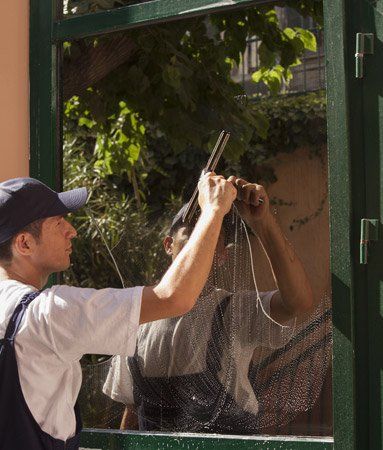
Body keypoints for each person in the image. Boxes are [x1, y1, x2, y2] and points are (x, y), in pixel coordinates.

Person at [0, 173, 236, 450]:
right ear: (25, 244)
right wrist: (214, 209)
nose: (71, 230)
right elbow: (174, 298)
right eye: (58, 222)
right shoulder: (49, 314)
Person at [103, 176, 314, 433]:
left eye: (213, 237)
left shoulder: (234, 311)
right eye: (194, 232)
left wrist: (263, 223)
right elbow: (132, 410)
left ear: (223, 255)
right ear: (168, 245)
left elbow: (298, 302)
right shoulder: (137, 320)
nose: (204, 243)